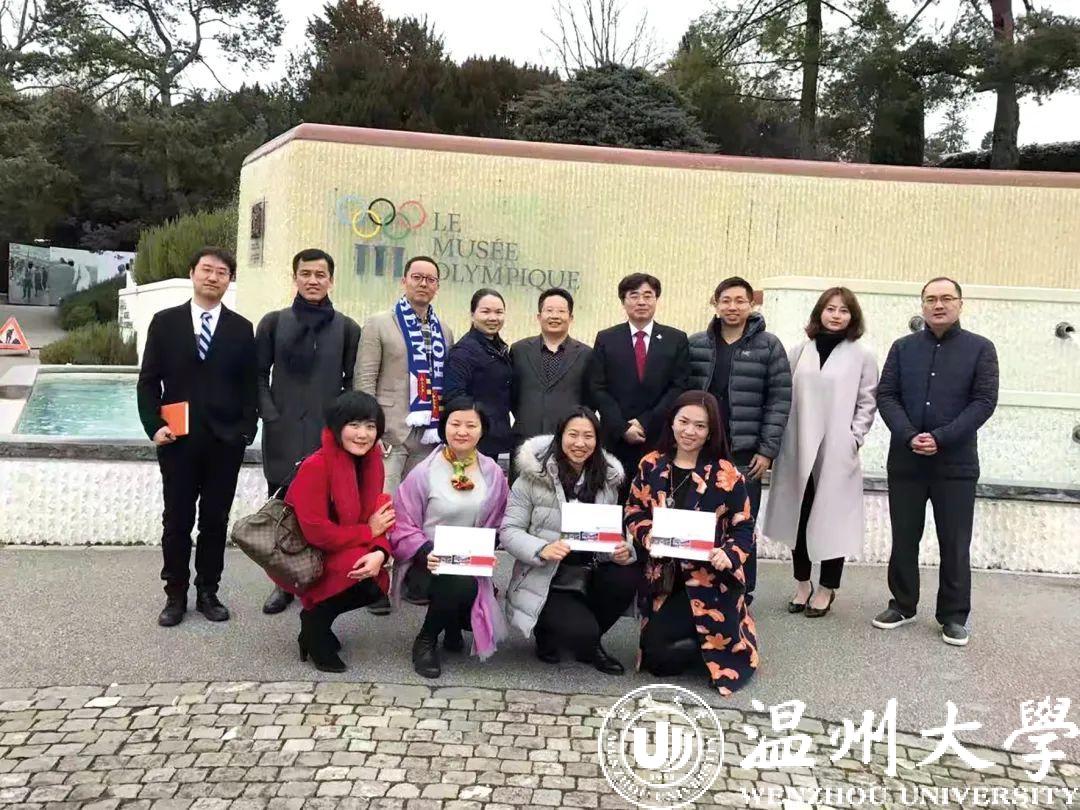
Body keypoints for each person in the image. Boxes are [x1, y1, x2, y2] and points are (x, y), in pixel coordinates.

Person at [872, 277, 999, 647]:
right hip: (907, 461)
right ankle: (902, 605)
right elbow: (887, 395)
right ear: (922, 305)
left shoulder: (980, 349)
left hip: (955, 465)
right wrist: (909, 434)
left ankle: (954, 616)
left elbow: (983, 401)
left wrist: (941, 438)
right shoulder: (903, 348)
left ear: (960, 303)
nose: (938, 305)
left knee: (955, 542)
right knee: (904, 537)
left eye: (946, 298)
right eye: (930, 299)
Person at [136, 247, 257, 627]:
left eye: (222, 272)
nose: (213, 277)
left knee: (215, 521)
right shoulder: (165, 322)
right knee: (176, 521)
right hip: (178, 440)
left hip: (225, 443)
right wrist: (153, 425)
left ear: (229, 280)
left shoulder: (241, 328)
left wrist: (245, 430)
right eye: (207, 269)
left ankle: (208, 591)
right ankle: (175, 594)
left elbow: (250, 385)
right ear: (192, 273)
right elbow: (148, 381)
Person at [624, 391, 758, 696]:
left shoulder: (726, 473)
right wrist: (647, 535)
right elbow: (634, 510)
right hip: (665, 577)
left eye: (700, 425)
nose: (689, 431)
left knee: (703, 651)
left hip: (711, 577)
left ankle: (725, 636)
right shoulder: (651, 465)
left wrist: (729, 554)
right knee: (658, 661)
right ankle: (701, 645)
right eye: (683, 422)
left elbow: (743, 526)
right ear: (671, 422)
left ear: (711, 431)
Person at [256, 248, 362, 616]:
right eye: (306, 273)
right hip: (283, 429)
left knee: (327, 509)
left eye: (320, 274)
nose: (313, 280)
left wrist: (341, 424)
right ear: (295, 277)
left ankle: (322, 579)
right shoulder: (274, 323)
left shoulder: (347, 329)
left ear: (331, 280)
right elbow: (258, 375)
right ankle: (282, 583)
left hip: (326, 433)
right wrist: (271, 415)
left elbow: (353, 382)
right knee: (281, 506)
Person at [762, 288, 879, 618]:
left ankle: (827, 588)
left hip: (837, 450)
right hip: (797, 446)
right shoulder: (800, 351)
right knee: (797, 517)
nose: (836, 315)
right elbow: (782, 395)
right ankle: (802, 584)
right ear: (819, 313)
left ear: (852, 317)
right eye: (830, 309)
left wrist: (854, 438)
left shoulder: (862, 355)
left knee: (832, 519)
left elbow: (867, 401)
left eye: (844, 310)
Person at [500, 407, 638, 675]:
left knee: (627, 575)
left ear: (597, 440)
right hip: (547, 575)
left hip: (589, 569)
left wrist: (622, 549)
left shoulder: (607, 479)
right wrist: (541, 549)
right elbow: (509, 531)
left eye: (588, 436)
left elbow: (610, 534)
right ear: (560, 436)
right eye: (573, 434)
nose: (580, 443)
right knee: (578, 631)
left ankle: (590, 641)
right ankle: (552, 634)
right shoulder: (532, 476)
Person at [355, 255, 455, 613]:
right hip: (390, 434)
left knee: (418, 513)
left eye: (430, 279)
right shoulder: (380, 323)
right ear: (404, 280)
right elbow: (365, 380)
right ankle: (375, 585)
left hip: (428, 438)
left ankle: (412, 578)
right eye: (417, 277)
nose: (423, 283)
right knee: (382, 509)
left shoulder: (444, 330)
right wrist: (370, 430)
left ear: (437, 286)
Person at [687, 276, 791, 604]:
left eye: (740, 301)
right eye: (726, 300)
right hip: (701, 449)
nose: (732, 307)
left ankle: (743, 591)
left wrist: (767, 449)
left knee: (742, 521)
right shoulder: (696, 344)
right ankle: (698, 586)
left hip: (745, 451)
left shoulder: (769, 346)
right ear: (715, 303)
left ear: (751, 304)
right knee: (699, 517)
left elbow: (779, 399)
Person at [390, 397, 510, 679]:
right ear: (444, 427)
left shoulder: (493, 473)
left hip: (471, 562)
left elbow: (502, 518)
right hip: (427, 563)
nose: (462, 431)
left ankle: (453, 623)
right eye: (455, 424)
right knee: (459, 584)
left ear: (482, 430)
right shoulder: (423, 472)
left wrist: (489, 547)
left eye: (471, 425)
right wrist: (424, 551)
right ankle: (426, 639)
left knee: (465, 586)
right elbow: (401, 522)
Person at [279, 391, 395, 672]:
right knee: (361, 574)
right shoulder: (316, 466)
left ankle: (317, 621)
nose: (363, 434)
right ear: (336, 426)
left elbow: (381, 518)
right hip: (308, 551)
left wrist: (380, 552)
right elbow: (316, 532)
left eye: (370, 426)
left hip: (344, 543)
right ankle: (314, 626)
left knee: (375, 578)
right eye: (353, 425)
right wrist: (368, 532)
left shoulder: (373, 462)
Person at [587, 273, 689, 502]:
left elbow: (678, 387)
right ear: (623, 301)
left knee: (655, 502)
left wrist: (644, 422)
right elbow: (598, 387)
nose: (641, 302)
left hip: (657, 436)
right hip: (615, 439)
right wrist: (622, 427)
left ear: (656, 299)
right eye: (634, 296)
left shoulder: (676, 339)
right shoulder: (607, 338)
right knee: (612, 502)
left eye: (647, 296)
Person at [509, 288, 592, 465]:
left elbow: (589, 400)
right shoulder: (519, 350)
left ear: (571, 317)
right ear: (539, 316)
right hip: (525, 439)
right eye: (549, 310)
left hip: (568, 444)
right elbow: (512, 395)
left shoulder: (586, 355)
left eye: (561, 311)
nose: (555, 316)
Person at [443, 288, 514, 460]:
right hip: (473, 440)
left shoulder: (499, 348)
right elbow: (454, 396)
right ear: (472, 314)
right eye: (485, 311)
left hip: (493, 437)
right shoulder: (463, 352)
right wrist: (473, 426)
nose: (493, 318)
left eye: (499, 312)